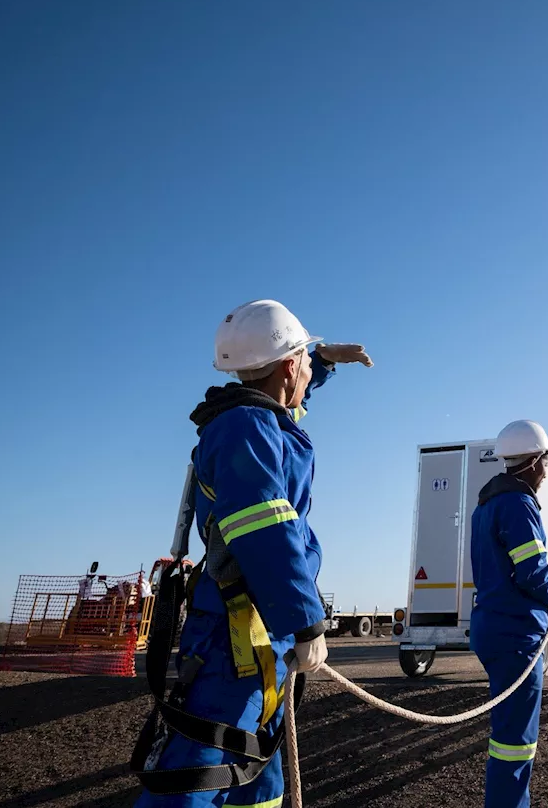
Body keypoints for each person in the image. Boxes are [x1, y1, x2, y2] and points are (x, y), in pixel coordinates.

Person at [134, 299, 373, 807]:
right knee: (200, 769)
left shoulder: (253, 421)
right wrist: (308, 621)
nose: (309, 367)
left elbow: (288, 396)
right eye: (305, 358)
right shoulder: (247, 430)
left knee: (257, 771)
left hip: (258, 630)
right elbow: (266, 533)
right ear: (288, 366)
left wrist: (324, 361)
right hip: (235, 635)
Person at [471, 420, 548, 808]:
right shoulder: (519, 504)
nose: (546, 471)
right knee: (515, 743)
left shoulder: (488, 505)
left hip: (492, 628)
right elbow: (531, 572)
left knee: (506, 735)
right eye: (546, 461)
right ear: (534, 462)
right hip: (516, 634)